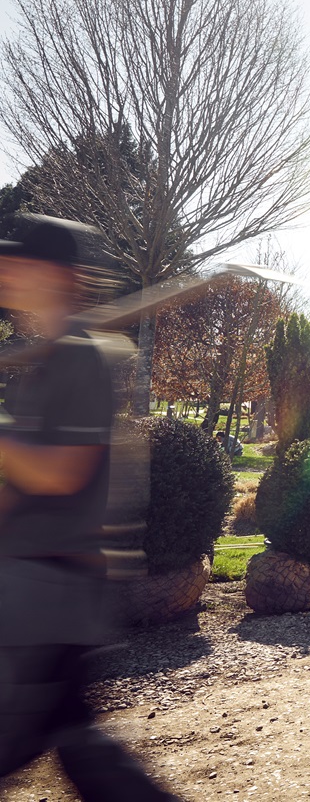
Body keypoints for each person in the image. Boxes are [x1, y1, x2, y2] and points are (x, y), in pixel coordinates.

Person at [0, 215, 180, 801]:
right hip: (30, 589)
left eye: (16, 261)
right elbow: (21, 483)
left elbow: (60, 471)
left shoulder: (78, 356)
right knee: (81, 748)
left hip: (47, 594)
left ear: (52, 274)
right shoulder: (46, 359)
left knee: (66, 745)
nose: (4, 271)